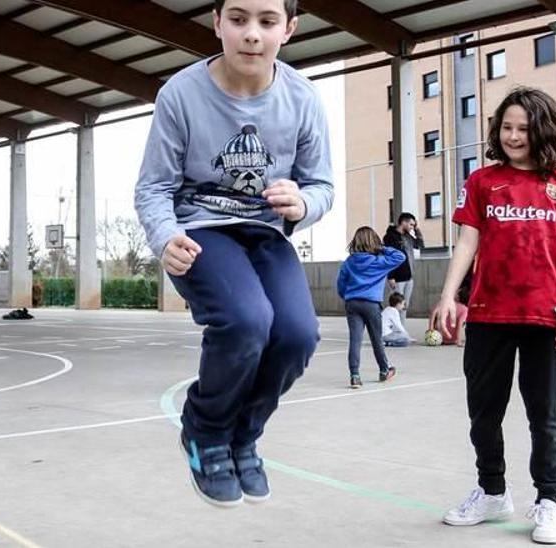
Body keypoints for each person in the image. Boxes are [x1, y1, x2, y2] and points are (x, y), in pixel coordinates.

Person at [134, 0, 333, 508]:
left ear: (288, 29)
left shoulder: (302, 99)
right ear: (216, 22)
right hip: (201, 229)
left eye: (267, 22)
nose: (251, 34)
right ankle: (203, 431)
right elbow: (154, 186)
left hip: (265, 232)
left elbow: (322, 185)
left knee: (296, 334)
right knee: (247, 321)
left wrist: (303, 202)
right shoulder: (181, 94)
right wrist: (163, 237)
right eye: (239, 20)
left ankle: (243, 436)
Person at [428, 87, 556, 544]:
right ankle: (492, 491)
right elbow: (467, 243)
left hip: (546, 316)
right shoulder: (481, 181)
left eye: (524, 127)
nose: (514, 136)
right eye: (507, 127)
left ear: (543, 130)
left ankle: (550, 501)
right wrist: (446, 297)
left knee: (544, 416)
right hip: (487, 314)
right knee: (484, 412)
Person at [336, 227, 405, 388]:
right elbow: (400, 256)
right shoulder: (379, 261)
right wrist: (381, 247)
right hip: (371, 304)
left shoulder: (349, 262)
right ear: (374, 242)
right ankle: (384, 370)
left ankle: (354, 376)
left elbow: (341, 284)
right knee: (376, 339)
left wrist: (346, 296)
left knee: (355, 340)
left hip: (352, 303)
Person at [383, 212, 424, 309]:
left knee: (404, 307)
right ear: (403, 222)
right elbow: (388, 257)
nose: (412, 227)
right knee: (395, 306)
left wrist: (417, 229)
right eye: (411, 224)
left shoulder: (408, 237)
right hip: (397, 278)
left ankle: (401, 325)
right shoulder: (390, 237)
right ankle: (393, 324)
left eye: (413, 225)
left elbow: (420, 245)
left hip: (409, 277)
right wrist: (390, 276)